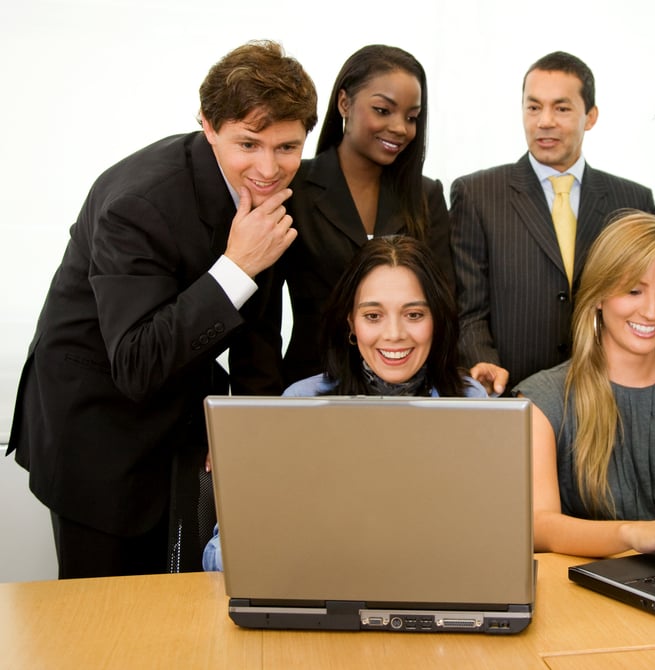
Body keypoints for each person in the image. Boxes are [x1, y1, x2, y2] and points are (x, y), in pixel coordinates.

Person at [6, 41, 318, 578]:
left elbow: (259, 327)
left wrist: (246, 426)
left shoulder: (271, 188)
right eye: (248, 143)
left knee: (177, 602)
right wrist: (236, 267)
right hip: (96, 423)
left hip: (178, 407)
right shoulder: (139, 203)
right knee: (102, 623)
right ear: (208, 125)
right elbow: (134, 361)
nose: (269, 168)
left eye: (287, 147)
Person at [203, 235, 486, 570]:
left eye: (413, 314)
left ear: (436, 321)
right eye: (373, 316)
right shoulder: (299, 404)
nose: (394, 333)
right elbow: (219, 553)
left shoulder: (471, 401)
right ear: (351, 323)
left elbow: (487, 535)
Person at [514, 211, 655, 557]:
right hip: (585, 593)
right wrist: (635, 535)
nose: (652, 312)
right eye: (633, 290)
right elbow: (539, 527)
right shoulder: (542, 400)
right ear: (598, 297)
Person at [451, 51, 654, 395]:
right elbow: (467, 306)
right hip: (509, 392)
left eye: (561, 108)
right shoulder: (477, 194)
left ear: (590, 117)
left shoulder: (633, 201)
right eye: (533, 107)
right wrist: (483, 364)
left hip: (607, 392)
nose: (544, 121)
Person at [279, 44, 453, 386]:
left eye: (411, 117)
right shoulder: (294, 189)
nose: (400, 128)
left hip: (409, 389)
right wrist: (259, 405)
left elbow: (444, 305)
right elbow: (261, 318)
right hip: (314, 383)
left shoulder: (426, 196)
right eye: (383, 110)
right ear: (344, 102)